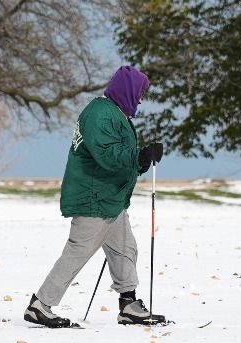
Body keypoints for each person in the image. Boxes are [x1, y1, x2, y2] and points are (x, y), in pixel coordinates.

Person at [24, 65, 168, 329]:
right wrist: (138, 155)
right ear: (126, 90)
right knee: (78, 251)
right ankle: (40, 305)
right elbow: (108, 155)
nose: (140, 99)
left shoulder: (113, 113)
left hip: (109, 198)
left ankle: (129, 305)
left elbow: (119, 156)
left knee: (125, 248)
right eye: (139, 93)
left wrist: (141, 160)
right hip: (94, 197)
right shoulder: (101, 114)